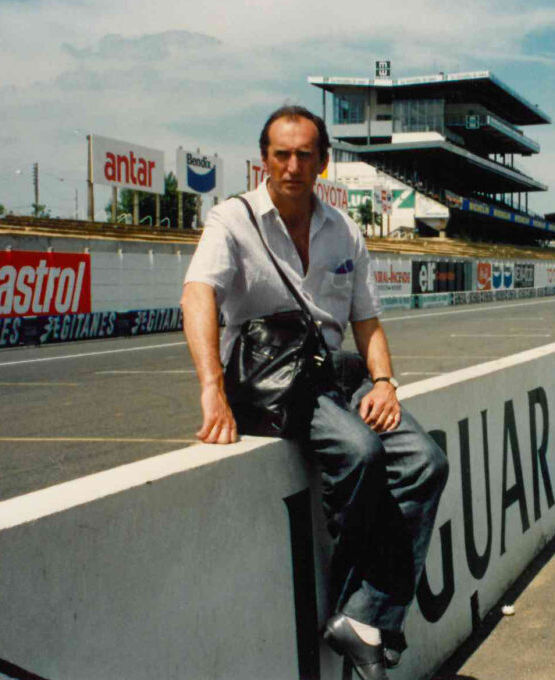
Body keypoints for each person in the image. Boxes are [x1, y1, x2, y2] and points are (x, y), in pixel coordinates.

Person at [181, 105, 448, 680]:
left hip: (332, 375)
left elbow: (368, 322)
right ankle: (364, 617)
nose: (293, 166)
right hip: (268, 380)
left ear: (323, 162)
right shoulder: (231, 220)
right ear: (263, 161)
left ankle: (364, 614)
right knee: (360, 451)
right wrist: (211, 391)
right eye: (282, 154)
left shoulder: (344, 229)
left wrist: (384, 383)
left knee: (426, 461)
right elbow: (197, 295)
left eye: (306, 155)